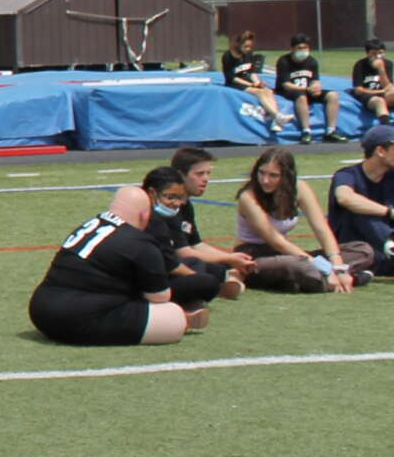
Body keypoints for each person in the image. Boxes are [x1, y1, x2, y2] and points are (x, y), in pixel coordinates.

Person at [28, 186, 199, 345]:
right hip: (77, 318)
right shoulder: (140, 243)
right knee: (173, 316)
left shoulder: (90, 225)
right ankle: (186, 320)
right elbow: (159, 297)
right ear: (145, 215)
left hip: (40, 310)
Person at [326, 124, 394, 291]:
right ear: (381, 151)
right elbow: (345, 198)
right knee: (360, 210)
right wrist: (392, 213)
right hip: (359, 255)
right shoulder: (346, 175)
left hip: (389, 254)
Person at [231, 146, 353, 292]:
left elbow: (321, 227)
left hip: (286, 254)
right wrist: (324, 268)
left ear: (287, 176)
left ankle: (309, 281)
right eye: (261, 173)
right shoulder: (248, 197)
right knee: (296, 265)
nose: (265, 180)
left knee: (361, 250)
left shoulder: (299, 188)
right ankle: (336, 280)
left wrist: (338, 265)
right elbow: (276, 240)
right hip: (254, 255)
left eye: (273, 175)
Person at [142, 163, 241, 308]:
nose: (177, 203)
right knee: (207, 282)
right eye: (170, 197)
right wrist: (197, 277)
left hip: (160, 269)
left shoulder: (171, 212)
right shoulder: (150, 219)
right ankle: (188, 304)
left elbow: (193, 246)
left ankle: (195, 298)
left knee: (198, 264)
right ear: (152, 193)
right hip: (145, 281)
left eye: (208, 173)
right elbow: (176, 260)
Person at [273, 34, 342, 144]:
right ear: (292, 49)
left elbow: (315, 79)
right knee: (301, 96)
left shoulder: (311, 61)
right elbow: (286, 84)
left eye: (305, 48)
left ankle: (331, 131)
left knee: (332, 95)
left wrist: (316, 87)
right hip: (288, 91)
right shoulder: (284, 61)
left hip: (307, 90)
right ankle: (306, 131)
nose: (303, 51)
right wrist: (305, 89)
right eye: (299, 48)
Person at [220, 28, 284, 135]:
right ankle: (277, 115)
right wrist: (251, 85)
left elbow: (252, 72)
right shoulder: (228, 56)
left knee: (268, 91)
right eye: (245, 47)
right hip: (235, 84)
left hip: (248, 81)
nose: (248, 49)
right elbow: (232, 77)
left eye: (250, 47)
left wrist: (257, 82)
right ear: (238, 45)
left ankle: (276, 122)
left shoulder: (248, 55)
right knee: (259, 92)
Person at [350, 38, 394, 133]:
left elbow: (389, 86)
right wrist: (379, 92)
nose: (378, 56)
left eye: (380, 53)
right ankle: (387, 131)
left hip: (383, 93)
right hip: (368, 96)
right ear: (367, 54)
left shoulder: (388, 64)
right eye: (374, 54)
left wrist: (381, 70)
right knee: (379, 101)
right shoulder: (360, 65)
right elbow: (358, 90)